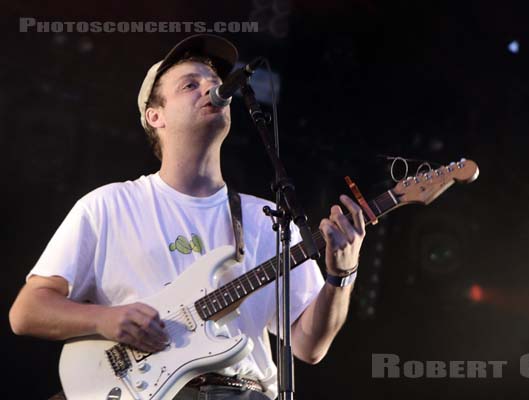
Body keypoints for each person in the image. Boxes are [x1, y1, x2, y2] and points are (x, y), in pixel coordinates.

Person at [9, 34, 365, 400]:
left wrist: (343, 275)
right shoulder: (109, 206)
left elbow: (309, 346)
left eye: (214, 82)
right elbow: (27, 311)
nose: (211, 89)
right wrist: (104, 319)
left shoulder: (268, 220)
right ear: (155, 115)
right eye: (190, 84)